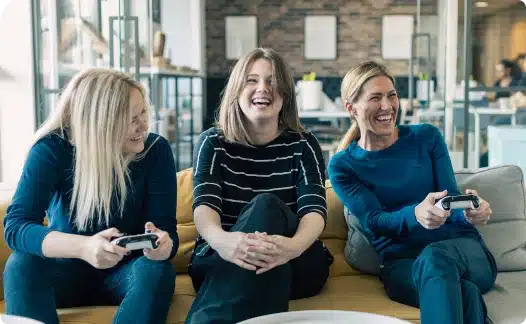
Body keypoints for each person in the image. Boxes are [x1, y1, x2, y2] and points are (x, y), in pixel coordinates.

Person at [3, 68, 178, 324]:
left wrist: (163, 247)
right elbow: (16, 227)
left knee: (156, 269)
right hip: (65, 272)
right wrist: (84, 247)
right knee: (21, 264)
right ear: (100, 122)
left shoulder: (155, 150)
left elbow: (167, 232)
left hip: (126, 273)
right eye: (132, 118)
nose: (143, 125)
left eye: (143, 113)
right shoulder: (51, 149)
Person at [328, 61, 497, 324]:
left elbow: (450, 199)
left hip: (463, 251)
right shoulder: (343, 165)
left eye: (392, 95)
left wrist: (470, 214)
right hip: (402, 266)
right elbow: (375, 222)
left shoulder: (427, 137)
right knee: (465, 295)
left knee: (436, 257)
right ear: (351, 108)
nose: (387, 106)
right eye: (375, 98)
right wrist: (416, 214)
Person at [185, 48, 333, 324]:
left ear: (285, 94)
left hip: (295, 258)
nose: (262, 88)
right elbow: (204, 206)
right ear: (236, 89)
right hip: (224, 255)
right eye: (252, 80)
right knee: (263, 271)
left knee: (266, 206)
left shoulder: (303, 144)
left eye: (272, 81)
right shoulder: (213, 143)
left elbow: (314, 210)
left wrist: (293, 247)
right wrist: (224, 242)